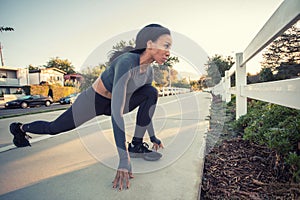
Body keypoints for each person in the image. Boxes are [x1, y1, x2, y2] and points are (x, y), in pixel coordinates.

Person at [9, 24, 172, 191]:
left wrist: (152, 137)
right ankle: (20, 128)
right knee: (54, 128)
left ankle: (136, 145)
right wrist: (124, 159)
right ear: (150, 44)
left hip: (116, 104)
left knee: (151, 92)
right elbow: (117, 113)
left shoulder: (149, 72)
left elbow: (147, 108)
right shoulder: (126, 62)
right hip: (92, 102)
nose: (168, 52)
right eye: (166, 45)